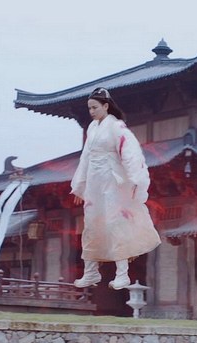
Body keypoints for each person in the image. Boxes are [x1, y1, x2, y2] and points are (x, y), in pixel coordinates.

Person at [71, 87, 160, 290]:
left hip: (112, 181)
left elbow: (130, 153)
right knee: (92, 224)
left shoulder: (117, 127)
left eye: (94, 107)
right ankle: (91, 272)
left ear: (106, 106)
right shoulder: (92, 128)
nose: (91, 111)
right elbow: (85, 157)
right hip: (94, 182)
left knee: (115, 223)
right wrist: (79, 185)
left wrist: (135, 178)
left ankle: (122, 274)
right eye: (89, 108)